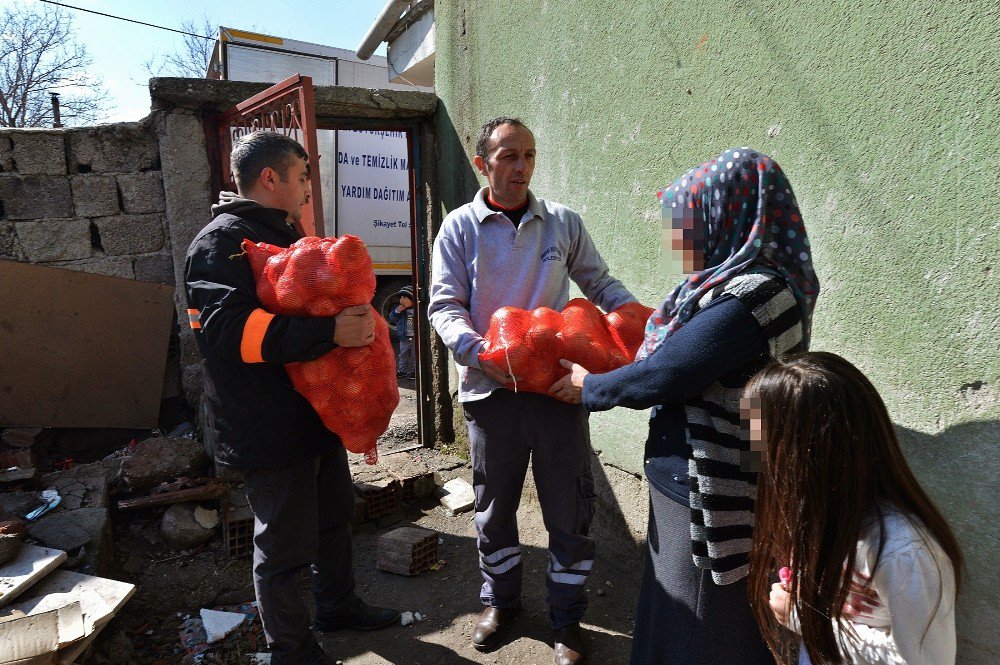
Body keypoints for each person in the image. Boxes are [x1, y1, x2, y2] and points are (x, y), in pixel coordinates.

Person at [550, 147, 820, 664]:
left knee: (697, 621)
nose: (678, 240)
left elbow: (670, 372)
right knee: (679, 606)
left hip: (713, 484)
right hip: (695, 476)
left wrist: (593, 386)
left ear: (729, 213)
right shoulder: (727, 285)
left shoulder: (760, 294)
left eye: (688, 224)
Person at [184, 131, 399, 665]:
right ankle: (292, 651)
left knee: (333, 516)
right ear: (270, 178)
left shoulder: (282, 233)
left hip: (313, 416)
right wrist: (330, 335)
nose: (309, 190)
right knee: (283, 545)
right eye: (303, 178)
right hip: (265, 425)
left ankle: (337, 606)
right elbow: (226, 333)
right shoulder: (221, 243)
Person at [429, 117, 637, 664]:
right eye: (508, 156)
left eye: (529, 155)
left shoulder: (562, 224)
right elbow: (444, 307)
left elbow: (601, 285)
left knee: (568, 509)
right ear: (484, 164)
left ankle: (567, 620)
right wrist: (480, 355)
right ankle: (501, 603)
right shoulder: (459, 229)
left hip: (556, 393)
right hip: (489, 391)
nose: (521, 166)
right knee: (494, 509)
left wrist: (640, 320)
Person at [743, 351, 962, 664]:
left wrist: (802, 617)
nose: (750, 457)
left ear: (806, 454)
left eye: (758, 439)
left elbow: (928, 660)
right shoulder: (814, 512)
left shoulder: (903, 552)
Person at [388, 284, 416, 379]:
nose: (402, 300)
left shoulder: (417, 310)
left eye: (405, 298)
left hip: (415, 338)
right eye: (401, 298)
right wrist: (397, 311)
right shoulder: (399, 310)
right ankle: (402, 370)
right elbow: (391, 319)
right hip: (404, 337)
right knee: (403, 355)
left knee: (415, 355)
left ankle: (414, 371)